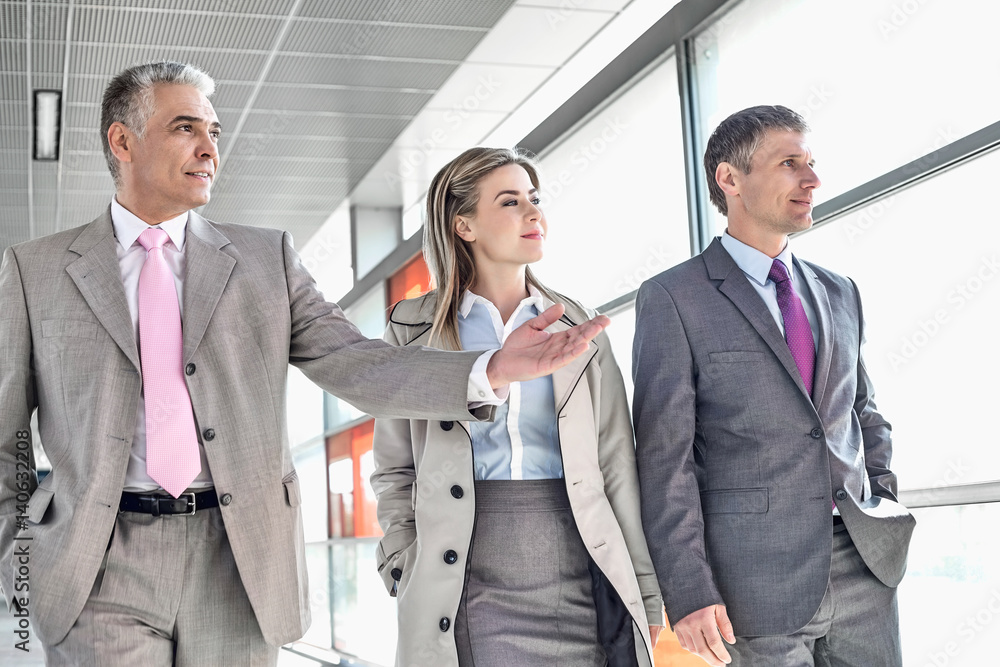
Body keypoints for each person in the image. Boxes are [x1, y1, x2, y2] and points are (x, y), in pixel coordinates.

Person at [0, 62, 610, 665]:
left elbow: (355, 362)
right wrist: (18, 559)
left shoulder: (267, 259)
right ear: (122, 140)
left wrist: (491, 371)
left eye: (215, 132)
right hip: (100, 562)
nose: (209, 148)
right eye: (186, 128)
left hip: (239, 559)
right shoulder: (36, 271)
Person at [632, 105, 916, 666]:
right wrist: (688, 589)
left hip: (864, 564)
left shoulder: (840, 291)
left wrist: (880, 498)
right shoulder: (673, 297)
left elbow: (863, 414)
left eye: (811, 163)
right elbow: (667, 458)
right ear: (730, 179)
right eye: (790, 164)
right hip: (751, 584)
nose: (812, 180)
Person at [371, 147, 665, 667]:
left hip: (579, 562)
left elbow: (616, 462)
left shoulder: (580, 328)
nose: (534, 214)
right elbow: (396, 467)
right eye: (510, 202)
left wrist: (643, 584)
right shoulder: (412, 329)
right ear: (464, 225)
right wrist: (400, 559)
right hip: (463, 572)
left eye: (535, 199)